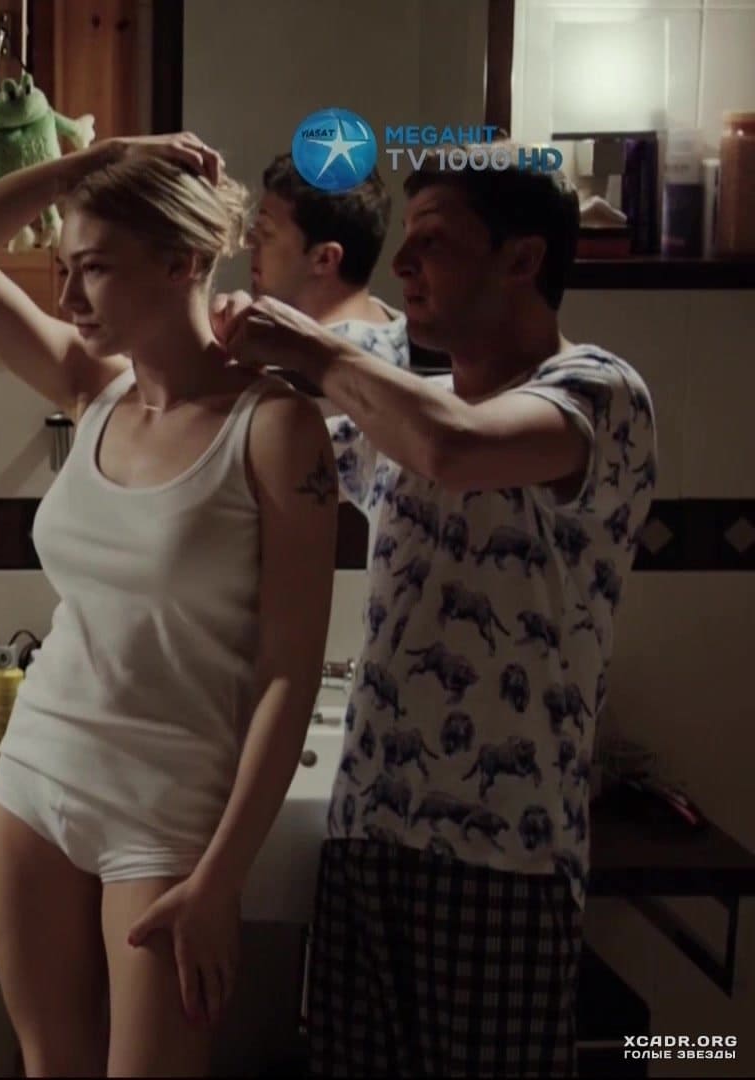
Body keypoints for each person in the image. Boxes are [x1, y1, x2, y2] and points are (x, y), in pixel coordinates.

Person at [213, 151, 657, 1076]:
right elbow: (267, 453)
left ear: (522, 259)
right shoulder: (410, 405)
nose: (403, 263)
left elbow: (451, 448)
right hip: (366, 835)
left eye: (435, 242)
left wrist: (310, 348)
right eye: (405, 242)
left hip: (503, 858)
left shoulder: (598, 392)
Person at [0, 133, 338, 1077]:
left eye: (96, 269)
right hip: (36, 778)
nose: (70, 297)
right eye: (65, 270)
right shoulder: (93, 389)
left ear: (183, 261)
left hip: (167, 813)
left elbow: (288, 674)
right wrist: (89, 163)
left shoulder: (276, 430)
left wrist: (221, 879)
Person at [246, 153, 409, 370]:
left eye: (266, 233)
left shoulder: (323, 374)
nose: (249, 242)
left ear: (325, 259)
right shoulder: (401, 333)